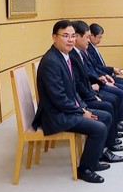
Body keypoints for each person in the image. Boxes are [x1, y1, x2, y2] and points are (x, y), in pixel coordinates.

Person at [32, 20, 112, 183]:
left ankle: (95, 157)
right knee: (99, 127)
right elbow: (58, 98)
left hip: (65, 109)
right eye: (65, 36)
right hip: (55, 115)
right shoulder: (51, 62)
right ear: (54, 37)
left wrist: (83, 108)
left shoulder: (63, 56)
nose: (70, 40)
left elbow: (72, 90)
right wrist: (82, 112)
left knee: (106, 116)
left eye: (73, 36)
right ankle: (84, 169)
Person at [71, 20, 123, 149]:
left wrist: (102, 78)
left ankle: (111, 136)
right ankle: (109, 143)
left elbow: (87, 73)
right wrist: (92, 94)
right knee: (111, 102)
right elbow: (75, 85)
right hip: (82, 98)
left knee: (115, 95)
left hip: (88, 90)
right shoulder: (70, 56)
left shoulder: (78, 52)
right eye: (87, 37)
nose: (88, 40)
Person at [88, 23, 123, 121]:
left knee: (122, 82)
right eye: (99, 37)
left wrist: (107, 73)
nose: (100, 40)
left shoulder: (91, 47)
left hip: (100, 76)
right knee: (119, 90)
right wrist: (108, 73)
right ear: (91, 35)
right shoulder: (87, 49)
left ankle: (121, 110)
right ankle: (119, 114)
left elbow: (96, 67)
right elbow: (95, 68)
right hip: (95, 81)